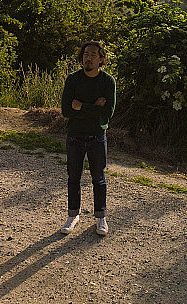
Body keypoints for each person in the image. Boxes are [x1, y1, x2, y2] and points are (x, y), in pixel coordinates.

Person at [60, 41, 116, 236]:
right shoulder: (73, 79)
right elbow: (66, 110)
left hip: (96, 137)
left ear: (101, 59)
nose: (88, 57)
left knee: (98, 179)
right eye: (85, 54)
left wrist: (81, 106)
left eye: (93, 54)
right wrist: (94, 106)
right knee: (73, 178)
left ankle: (101, 217)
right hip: (74, 135)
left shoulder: (108, 82)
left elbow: (106, 115)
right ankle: (73, 215)